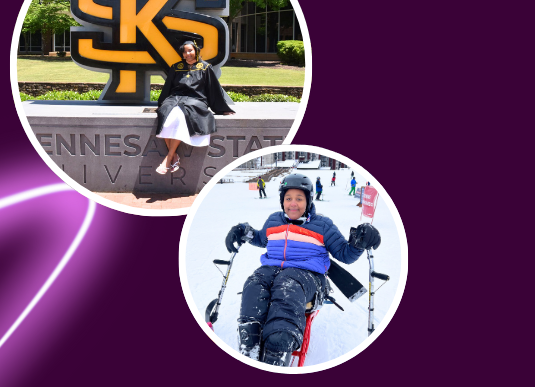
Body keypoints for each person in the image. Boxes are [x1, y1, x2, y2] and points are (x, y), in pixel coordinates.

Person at [224, 173, 380, 366]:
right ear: (282, 201)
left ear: (309, 200)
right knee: (255, 282)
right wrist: (242, 231)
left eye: (299, 199)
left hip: (307, 276)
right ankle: (250, 342)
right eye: (288, 198)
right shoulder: (274, 220)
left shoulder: (322, 225)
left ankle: (278, 348)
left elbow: (344, 254)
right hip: (271, 268)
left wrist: (359, 242)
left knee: (287, 284)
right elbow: (261, 238)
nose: (293, 204)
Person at [154, 40, 235, 175]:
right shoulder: (176, 67)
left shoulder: (205, 67)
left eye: (190, 50)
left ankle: (168, 159)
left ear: (196, 51)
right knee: (166, 114)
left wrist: (222, 108)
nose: (188, 54)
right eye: (185, 52)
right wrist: (162, 103)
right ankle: (174, 156)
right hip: (175, 98)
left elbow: (213, 89)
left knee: (180, 116)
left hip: (196, 100)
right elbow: (168, 87)